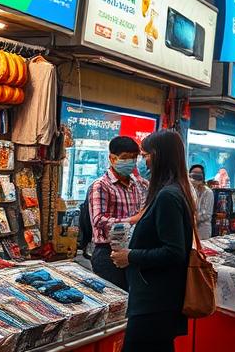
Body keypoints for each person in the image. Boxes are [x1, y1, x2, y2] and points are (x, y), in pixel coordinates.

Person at [110, 130, 192, 352]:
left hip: (155, 303)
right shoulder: (172, 191)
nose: (143, 162)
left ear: (159, 156)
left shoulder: (168, 196)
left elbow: (174, 252)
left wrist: (130, 256)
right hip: (157, 300)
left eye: (145, 155)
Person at [87, 135, 148, 288]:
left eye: (134, 158)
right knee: (115, 298)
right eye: (125, 158)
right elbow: (98, 220)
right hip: (107, 253)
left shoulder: (139, 184)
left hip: (132, 250)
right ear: (112, 158)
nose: (131, 162)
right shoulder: (101, 186)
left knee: (130, 298)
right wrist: (133, 219)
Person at [188, 164, 214, 239]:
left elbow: (206, 214)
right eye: (193, 174)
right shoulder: (189, 190)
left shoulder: (208, 192)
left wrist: (192, 219)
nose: (195, 178)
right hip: (190, 229)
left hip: (203, 230)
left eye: (198, 175)